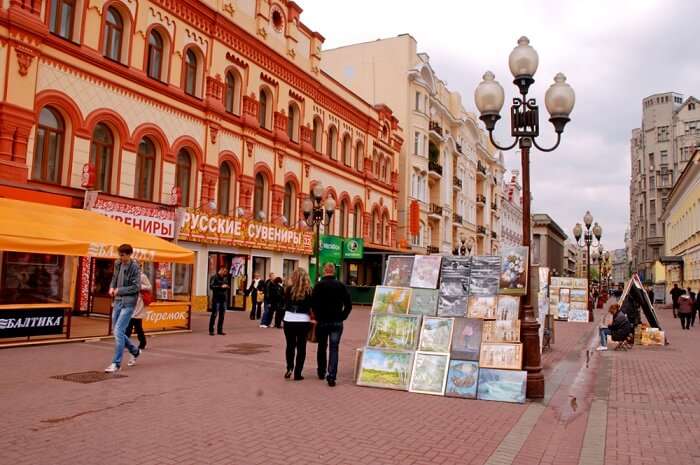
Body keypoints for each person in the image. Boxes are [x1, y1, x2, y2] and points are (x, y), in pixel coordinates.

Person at [311, 263, 352, 387]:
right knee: (334, 348)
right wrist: (342, 316)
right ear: (334, 271)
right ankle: (332, 376)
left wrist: (317, 316)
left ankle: (321, 371)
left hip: (322, 320)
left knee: (322, 346)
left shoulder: (318, 286)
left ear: (324, 271)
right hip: (336, 320)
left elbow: (313, 304)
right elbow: (348, 304)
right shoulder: (340, 285)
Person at [105, 244, 142, 373]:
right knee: (116, 331)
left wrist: (119, 290)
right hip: (118, 301)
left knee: (118, 331)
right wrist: (111, 287)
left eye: (122, 255)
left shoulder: (135, 267)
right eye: (119, 254)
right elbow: (114, 278)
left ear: (129, 254)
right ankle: (135, 351)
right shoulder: (117, 263)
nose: (120, 257)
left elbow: (136, 287)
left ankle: (116, 363)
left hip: (128, 303)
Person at [282, 268, 313, 380]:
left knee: (290, 345)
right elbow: (311, 306)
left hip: (289, 319)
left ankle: (289, 367)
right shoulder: (309, 290)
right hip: (303, 320)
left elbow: (284, 303)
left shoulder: (289, 289)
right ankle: (298, 373)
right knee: (301, 347)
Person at [125, 270, 151, 352]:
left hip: (139, 302)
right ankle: (141, 343)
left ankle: (141, 343)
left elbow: (149, 286)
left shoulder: (142, 276)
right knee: (133, 325)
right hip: (131, 300)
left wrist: (139, 286)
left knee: (133, 324)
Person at [209, 267, 229, 336]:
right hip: (216, 299)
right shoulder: (214, 277)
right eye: (224, 271)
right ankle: (211, 330)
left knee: (222, 315)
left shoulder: (225, 278)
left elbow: (226, 285)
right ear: (220, 270)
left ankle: (220, 330)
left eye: (226, 272)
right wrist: (220, 286)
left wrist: (226, 286)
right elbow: (211, 286)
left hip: (223, 299)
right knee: (214, 314)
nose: (225, 273)